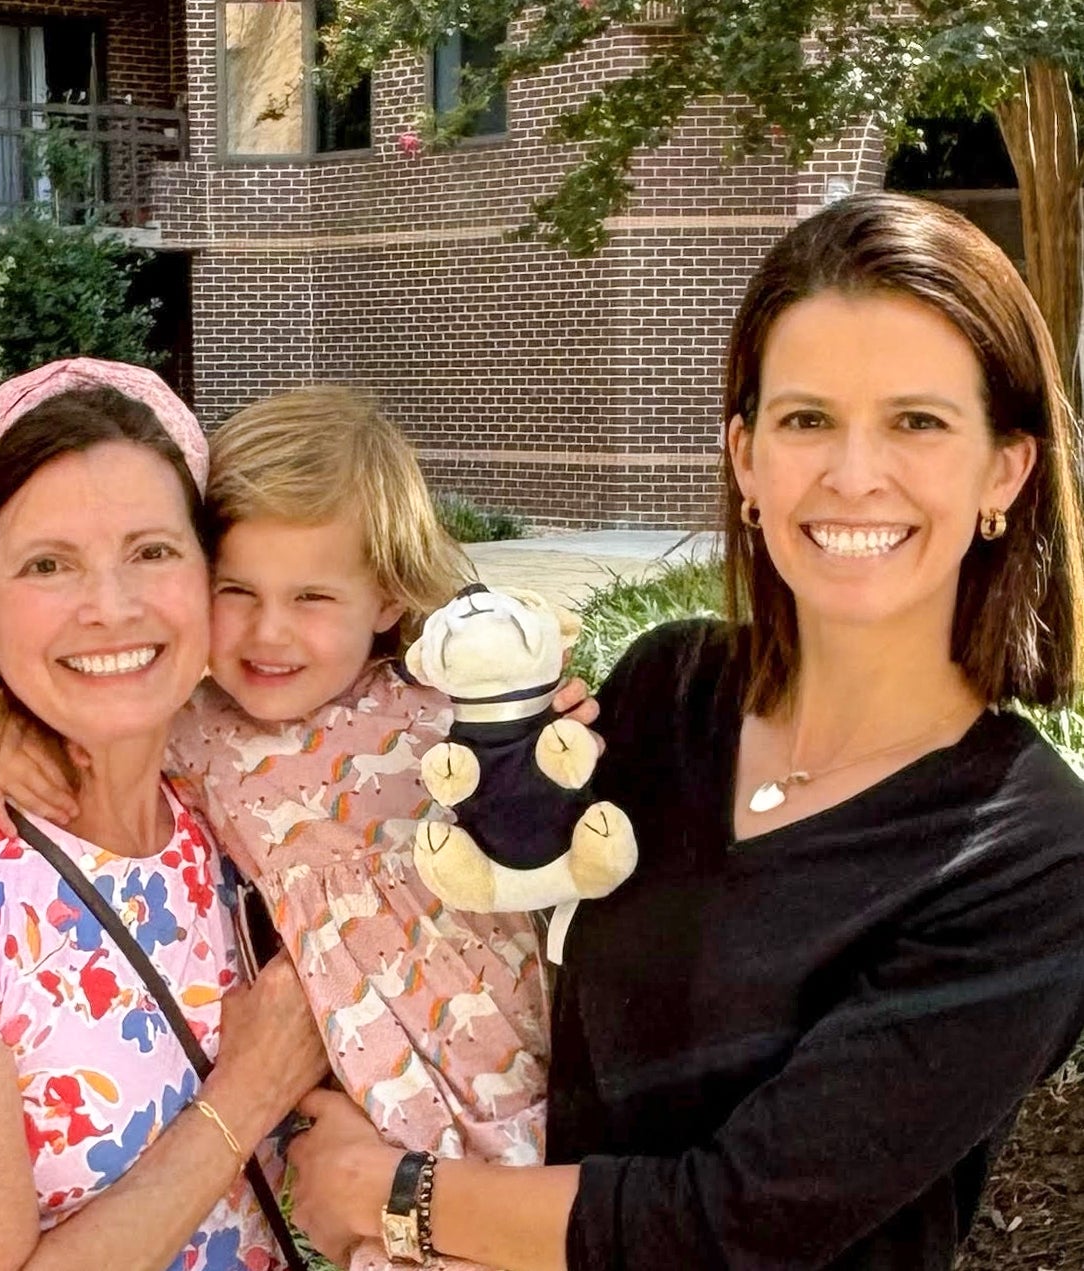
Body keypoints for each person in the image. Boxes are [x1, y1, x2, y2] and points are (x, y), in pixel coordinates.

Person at [286, 191, 1084, 1270]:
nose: (852, 474)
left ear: (1003, 469)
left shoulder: (1030, 854)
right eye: (807, 419)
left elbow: (738, 1219)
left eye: (915, 421)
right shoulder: (668, 688)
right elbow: (472, 893)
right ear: (745, 458)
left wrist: (396, 1196)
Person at [0, 388, 601, 1270]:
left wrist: (556, 725)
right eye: (237, 590)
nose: (269, 632)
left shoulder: (436, 706)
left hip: (517, 1051)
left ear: (386, 596)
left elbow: (551, 783)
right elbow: (75, 700)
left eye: (312, 595)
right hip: (373, 1081)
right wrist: (0, 720)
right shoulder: (192, 725)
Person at [0, 357, 330, 1271]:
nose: (111, 607)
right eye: (49, 565)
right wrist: (247, 1096)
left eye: (152, 551)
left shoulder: (248, 810)